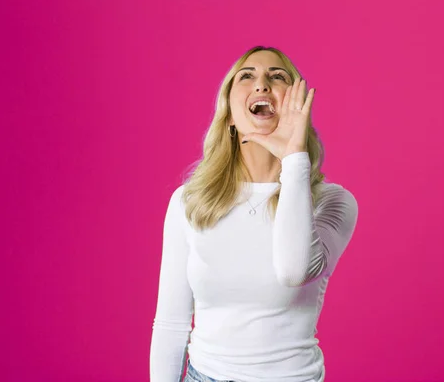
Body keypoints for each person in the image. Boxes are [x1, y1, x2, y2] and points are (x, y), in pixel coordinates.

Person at [150, 46, 358, 382]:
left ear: (297, 105)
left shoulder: (332, 202)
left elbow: (293, 271)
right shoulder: (189, 202)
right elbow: (171, 323)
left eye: (278, 77)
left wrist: (293, 157)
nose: (262, 84)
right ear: (230, 113)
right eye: (247, 76)